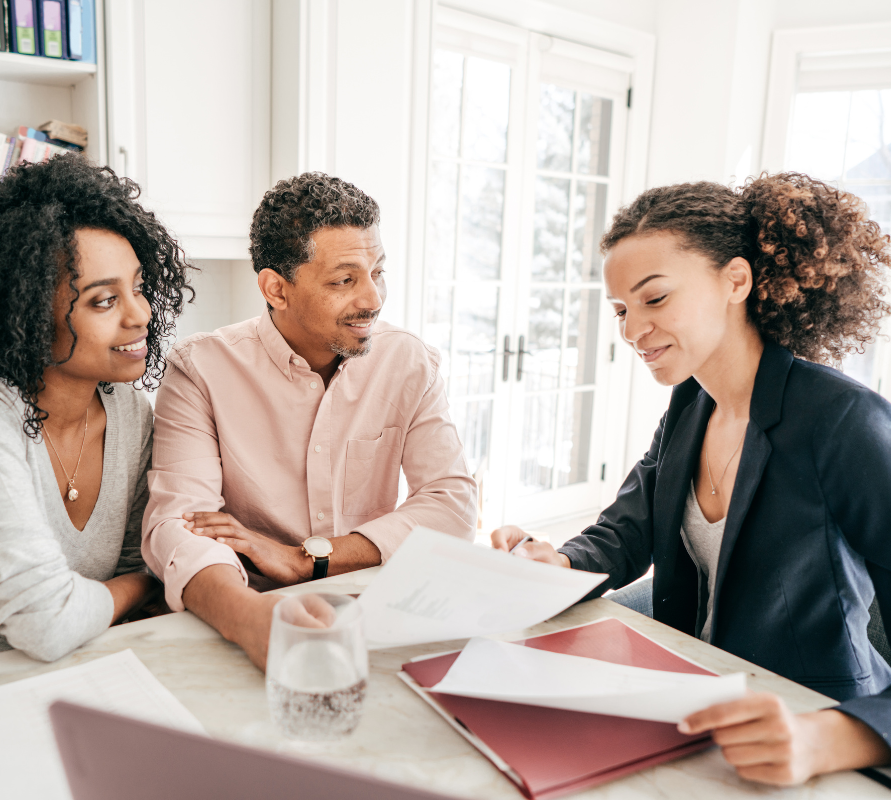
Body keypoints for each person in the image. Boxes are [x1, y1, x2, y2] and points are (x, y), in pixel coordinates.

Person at [493, 174, 891, 785]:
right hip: (694, 709)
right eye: (622, 311)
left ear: (735, 280)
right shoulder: (690, 405)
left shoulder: (842, 420)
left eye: (655, 300)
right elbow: (626, 529)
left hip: (805, 723)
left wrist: (833, 736)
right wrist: (560, 565)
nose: (631, 332)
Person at [142, 172, 477, 669]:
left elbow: (452, 505)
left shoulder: (408, 362)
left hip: (380, 610)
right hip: (249, 612)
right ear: (276, 288)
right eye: (345, 280)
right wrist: (251, 618)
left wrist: (310, 557)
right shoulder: (201, 369)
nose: (373, 299)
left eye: (377, 272)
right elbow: (177, 526)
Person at [0, 156, 191, 675]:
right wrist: (152, 580)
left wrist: (140, 578)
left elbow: (128, 561)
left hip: (54, 676)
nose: (140, 314)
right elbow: (48, 621)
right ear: (24, 315)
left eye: (138, 287)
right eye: (102, 301)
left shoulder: (126, 411)